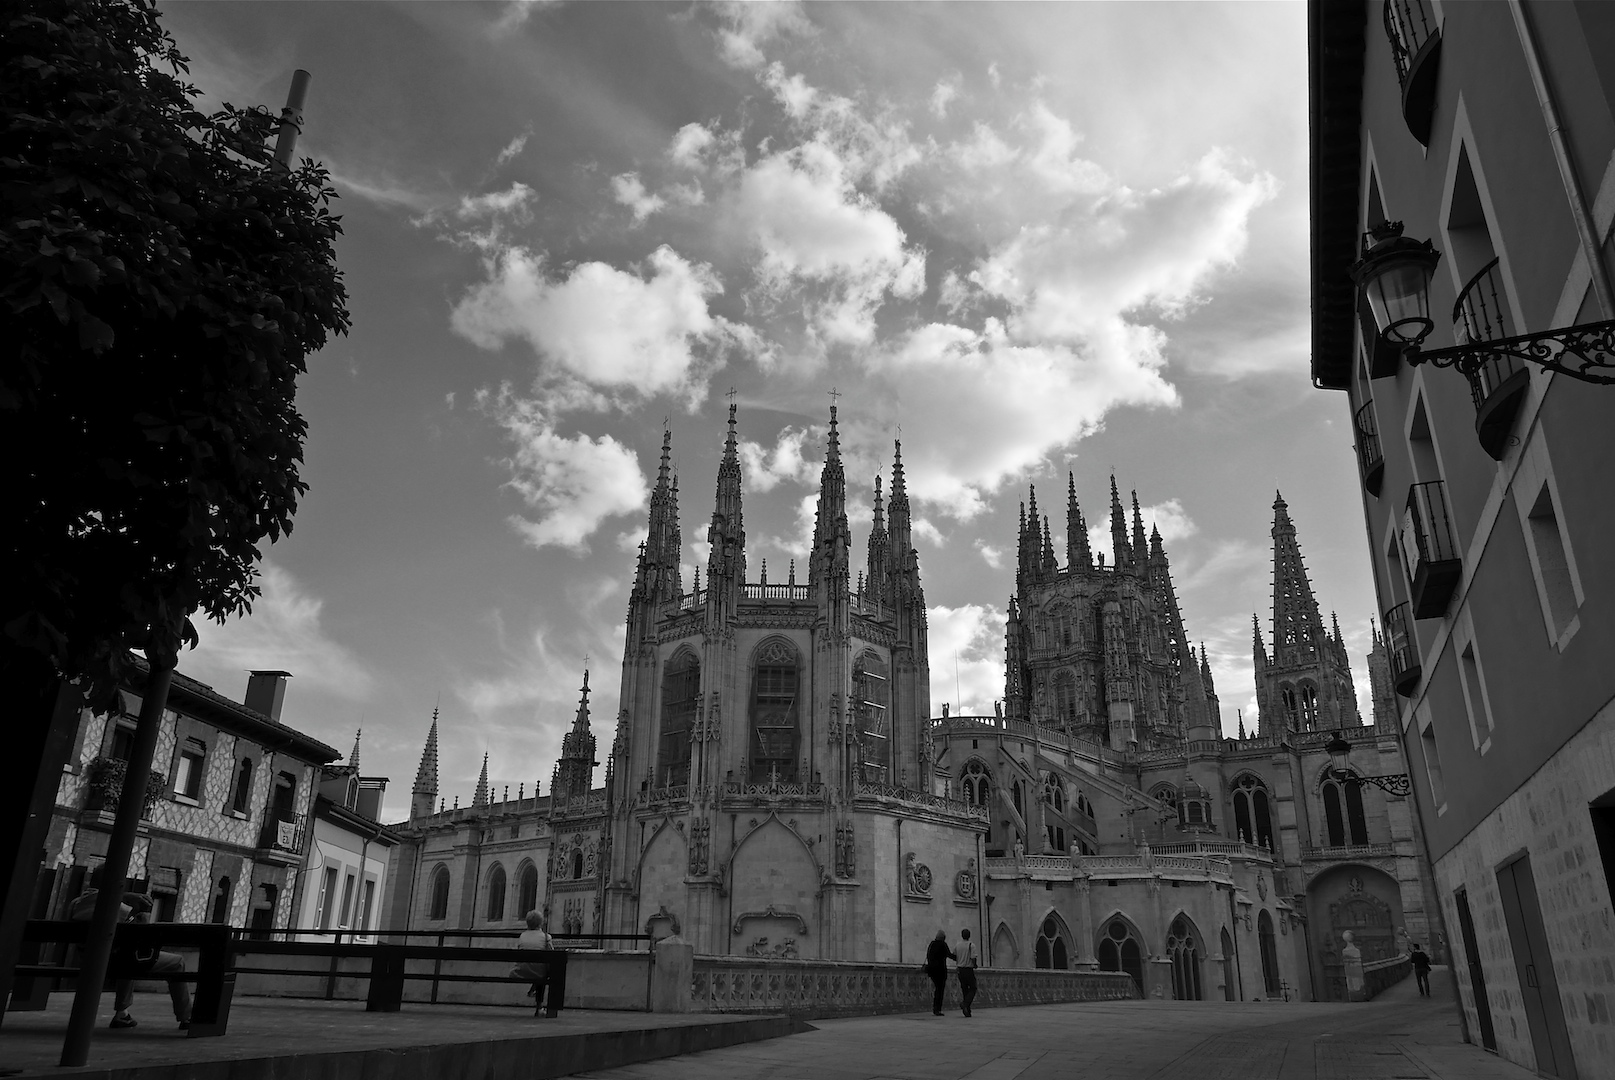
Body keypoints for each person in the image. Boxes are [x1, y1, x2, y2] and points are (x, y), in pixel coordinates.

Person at [69, 869, 191, 1030]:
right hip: (118, 961)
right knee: (177, 962)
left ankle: (123, 1014)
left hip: (89, 960)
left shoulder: (75, 904)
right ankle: (186, 1017)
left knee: (125, 955)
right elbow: (141, 937)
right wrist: (142, 915)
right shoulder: (114, 906)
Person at [511, 910, 554, 1016]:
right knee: (544, 973)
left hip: (520, 971)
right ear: (541, 923)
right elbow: (553, 955)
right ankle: (539, 1007)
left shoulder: (522, 936)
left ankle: (533, 990)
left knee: (538, 970)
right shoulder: (546, 937)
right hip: (538, 972)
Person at [923, 929, 955, 1016]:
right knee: (940, 990)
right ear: (943, 938)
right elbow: (949, 955)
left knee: (937, 989)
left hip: (932, 971)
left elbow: (928, 956)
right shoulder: (943, 945)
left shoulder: (932, 944)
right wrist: (959, 957)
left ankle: (935, 1008)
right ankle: (937, 1009)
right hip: (940, 971)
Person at [955, 928, 978, 1018]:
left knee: (965, 989)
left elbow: (954, 955)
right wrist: (975, 964)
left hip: (960, 970)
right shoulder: (971, 945)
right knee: (973, 988)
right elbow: (973, 957)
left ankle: (967, 1010)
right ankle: (965, 1004)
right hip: (968, 969)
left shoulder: (958, 945)